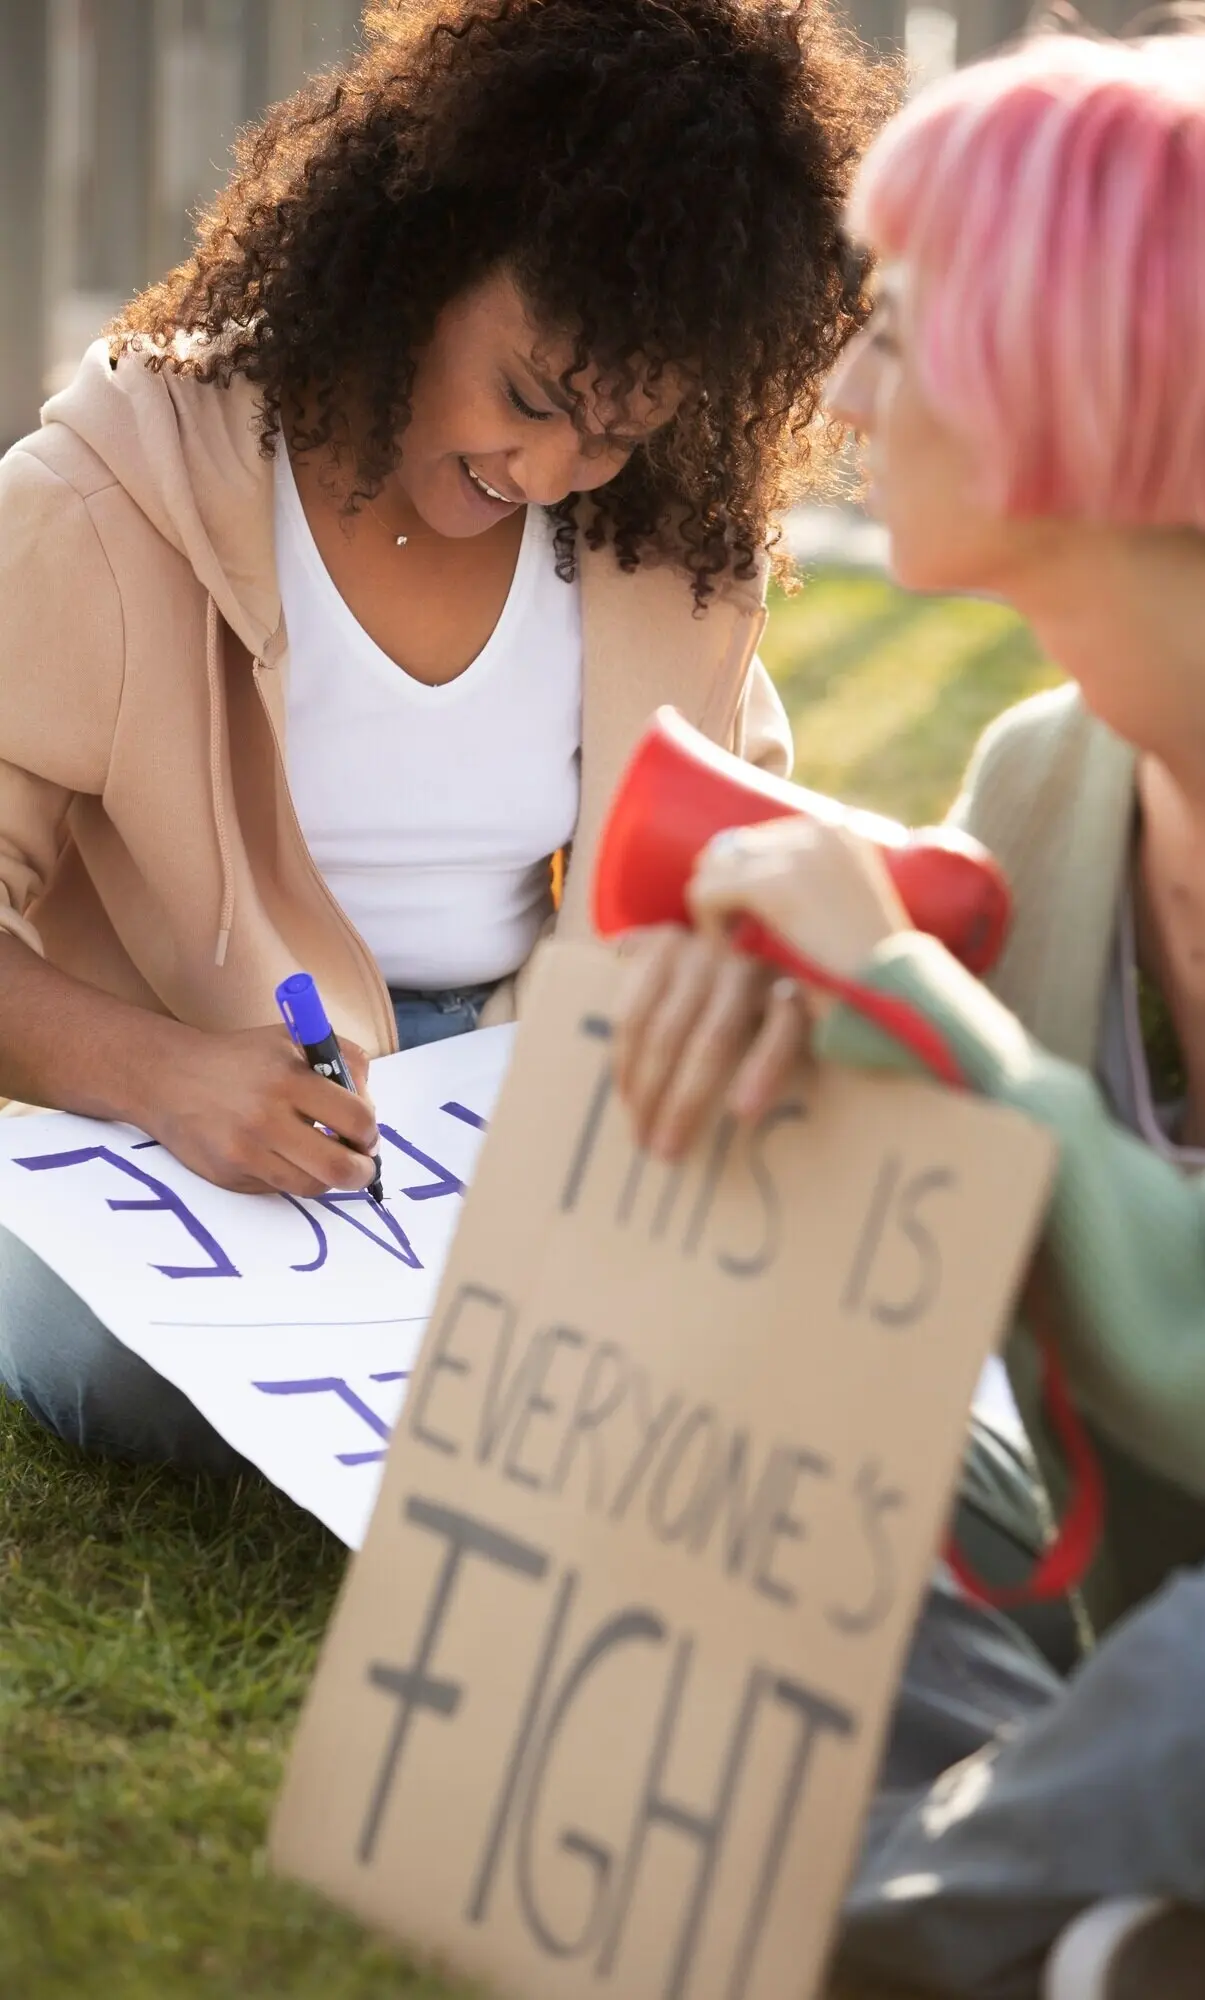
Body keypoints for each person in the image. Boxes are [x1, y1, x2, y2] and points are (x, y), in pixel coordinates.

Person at [615, 20, 1205, 2000]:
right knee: (749, 1362)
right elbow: (949, 1189)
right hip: (1157, 1667)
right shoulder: (1043, 774)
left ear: (1084, 376)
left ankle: (876, 1922)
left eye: (904, 334)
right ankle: (1095, 1940)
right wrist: (786, 1051)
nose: (844, 390)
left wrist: (904, 995)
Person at [0, 0, 893, 1472]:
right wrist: (164, 1075)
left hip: (510, 1083)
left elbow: (720, 878)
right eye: (531, 395)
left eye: (616, 432)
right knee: (123, 1369)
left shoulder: (662, 547)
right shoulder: (108, 504)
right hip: (189, 1094)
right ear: (419, 254)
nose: (549, 468)